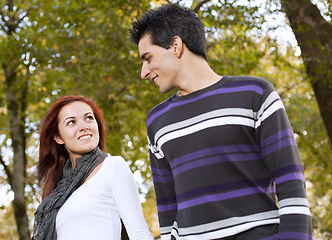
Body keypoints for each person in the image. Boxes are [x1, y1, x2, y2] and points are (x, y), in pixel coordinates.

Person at [129, 3, 312, 240]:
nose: (144, 72)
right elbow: (166, 206)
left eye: (148, 58)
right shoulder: (157, 121)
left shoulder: (254, 94)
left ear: (176, 46)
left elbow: (290, 181)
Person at [32, 95, 154, 240]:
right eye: (71, 122)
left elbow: (139, 233)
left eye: (89, 118)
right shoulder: (58, 191)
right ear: (58, 137)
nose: (84, 126)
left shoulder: (113, 166)